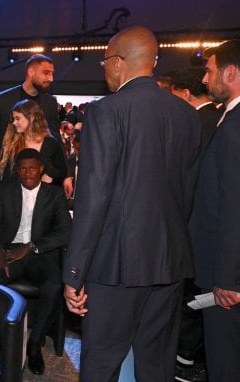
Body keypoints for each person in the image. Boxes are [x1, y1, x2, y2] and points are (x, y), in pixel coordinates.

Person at [62, 26, 201, 381]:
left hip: (115, 267)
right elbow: (187, 195)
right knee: (156, 367)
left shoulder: (106, 112)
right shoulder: (186, 114)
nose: (105, 70)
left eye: (105, 61)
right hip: (169, 262)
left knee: (101, 366)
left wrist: (74, 272)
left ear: (119, 63)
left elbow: (94, 198)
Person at [0, 148, 70, 375]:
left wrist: (31, 246)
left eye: (32, 168)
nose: (27, 173)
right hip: (9, 253)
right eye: (22, 168)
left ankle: (35, 343)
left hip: (40, 253)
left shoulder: (54, 194)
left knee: (54, 285)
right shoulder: (6, 191)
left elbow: (65, 232)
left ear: (41, 169)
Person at [190, 39, 240, 382]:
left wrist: (226, 277)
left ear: (231, 72)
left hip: (227, 277)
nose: (205, 81)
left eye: (209, 71)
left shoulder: (235, 127)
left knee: (224, 363)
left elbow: (233, 205)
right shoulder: (229, 120)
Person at [170, 66, 222, 378]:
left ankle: (183, 364)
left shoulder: (198, 124)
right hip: (209, 233)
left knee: (188, 303)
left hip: (194, 230)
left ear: (185, 95)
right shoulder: (219, 118)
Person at [0, 54, 72, 194]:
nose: (51, 78)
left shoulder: (49, 103)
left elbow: (56, 138)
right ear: (31, 72)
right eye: (46, 73)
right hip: (4, 182)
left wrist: (67, 175)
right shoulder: (1, 101)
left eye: (52, 74)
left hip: (38, 181)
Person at [0, 99, 67, 185]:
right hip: (15, 195)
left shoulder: (51, 143)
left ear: (31, 118)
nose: (14, 123)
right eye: (14, 119)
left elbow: (62, 171)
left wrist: (50, 175)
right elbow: (6, 176)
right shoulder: (11, 142)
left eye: (17, 118)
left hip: (43, 196)